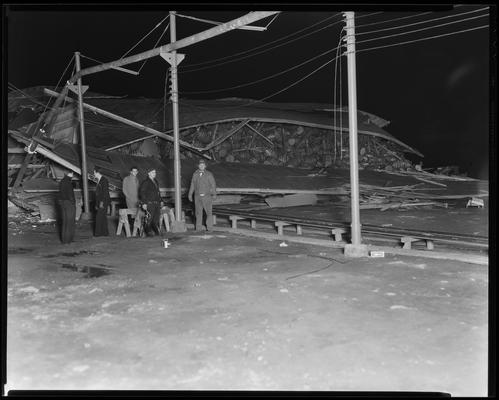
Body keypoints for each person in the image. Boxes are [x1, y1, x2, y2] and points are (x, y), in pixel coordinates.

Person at [188, 159, 217, 231]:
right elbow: (192, 185)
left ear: (205, 166)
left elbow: (213, 185)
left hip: (206, 196)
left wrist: (214, 194)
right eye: (200, 165)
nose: (201, 166)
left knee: (209, 213)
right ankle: (198, 229)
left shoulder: (209, 174)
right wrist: (190, 194)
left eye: (203, 165)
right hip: (197, 197)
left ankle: (210, 228)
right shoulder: (195, 174)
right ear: (198, 166)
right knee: (198, 213)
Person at [139, 168, 163, 236]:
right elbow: (142, 193)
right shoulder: (145, 182)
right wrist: (144, 203)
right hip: (149, 203)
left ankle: (156, 232)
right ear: (149, 173)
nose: (154, 174)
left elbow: (158, 192)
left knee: (156, 219)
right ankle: (148, 232)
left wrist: (161, 200)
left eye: (155, 172)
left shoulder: (156, 181)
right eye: (153, 172)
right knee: (149, 218)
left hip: (156, 203)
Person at [58, 170, 76, 244]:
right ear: (69, 173)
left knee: (65, 222)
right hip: (69, 204)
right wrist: (73, 203)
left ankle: (64, 240)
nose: (73, 175)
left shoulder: (62, 181)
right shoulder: (68, 182)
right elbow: (70, 195)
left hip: (63, 203)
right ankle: (69, 240)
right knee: (70, 222)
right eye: (72, 173)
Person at [94, 166, 111, 237]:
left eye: (94, 172)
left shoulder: (104, 180)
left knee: (98, 217)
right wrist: (97, 203)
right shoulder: (100, 180)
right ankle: (105, 233)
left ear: (97, 172)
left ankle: (97, 233)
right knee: (103, 217)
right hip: (101, 202)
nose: (93, 173)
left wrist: (101, 203)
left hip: (103, 202)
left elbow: (105, 193)